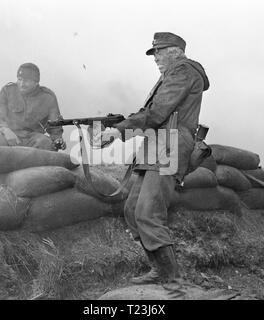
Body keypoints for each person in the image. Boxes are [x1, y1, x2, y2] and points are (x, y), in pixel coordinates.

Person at [100, 32, 210, 290]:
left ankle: (173, 280)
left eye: (159, 52)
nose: (156, 57)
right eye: (155, 53)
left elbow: (158, 112)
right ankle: (159, 268)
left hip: (169, 147)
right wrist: (121, 126)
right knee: (132, 210)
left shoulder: (182, 71)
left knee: (149, 212)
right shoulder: (170, 75)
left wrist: (119, 131)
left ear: (175, 50)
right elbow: (154, 114)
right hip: (156, 145)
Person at [0, 63, 66, 151]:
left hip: (34, 138)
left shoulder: (48, 97)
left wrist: (57, 139)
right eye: (19, 79)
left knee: (46, 144)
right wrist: (5, 130)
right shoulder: (8, 91)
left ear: (36, 82)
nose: (21, 84)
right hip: (9, 135)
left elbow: (55, 125)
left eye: (26, 81)